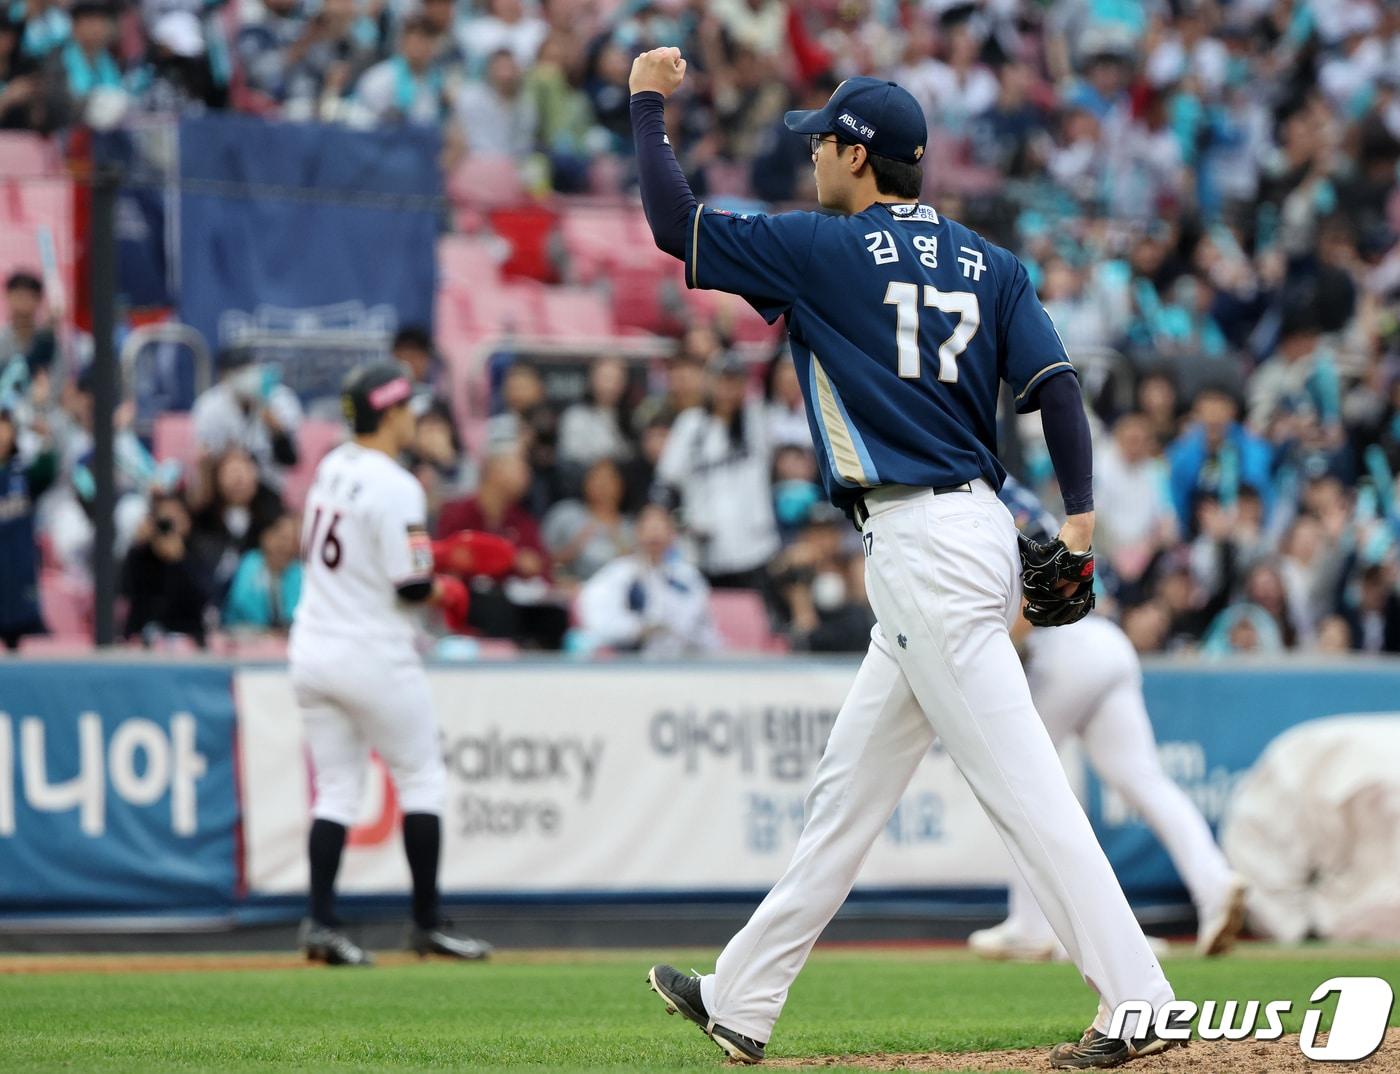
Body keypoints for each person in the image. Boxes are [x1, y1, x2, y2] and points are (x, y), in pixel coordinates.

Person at [630, 54, 1176, 1068]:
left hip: (922, 545)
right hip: (973, 536)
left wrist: (645, 103)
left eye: (821, 142)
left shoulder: (822, 249)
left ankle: (1140, 999)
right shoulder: (989, 261)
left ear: (856, 155)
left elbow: (675, 224)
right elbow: (1057, 387)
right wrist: (1080, 528)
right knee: (846, 794)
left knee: (1023, 790)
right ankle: (741, 999)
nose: (812, 156)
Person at [970, 478, 1247, 963]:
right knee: (1144, 781)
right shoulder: (1008, 493)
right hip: (1104, 642)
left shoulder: (982, 501)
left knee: (1021, 780)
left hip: (1061, 653)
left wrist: (994, 649)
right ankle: (1214, 882)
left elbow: (1044, 589)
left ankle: (1033, 925)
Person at [288, 362, 488, 966]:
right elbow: (411, 586)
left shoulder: (331, 465)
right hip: (371, 649)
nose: (413, 419)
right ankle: (426, 923)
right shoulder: (397, 483)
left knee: (336, 791)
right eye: (407, 410)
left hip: (312, 646)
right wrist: (449, 587)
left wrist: (434, 556)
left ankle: (320, 923)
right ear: (390, 412)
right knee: (422, 779)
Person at [653, 351, 779, 589]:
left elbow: (775, 380)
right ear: (709, 383)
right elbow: (666, 484)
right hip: (703, 550)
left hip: (755, 547)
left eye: (735, 382)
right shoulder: (691, 424)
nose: (727, 389)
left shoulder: (757, 421)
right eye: (722, 381)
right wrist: (682, 523)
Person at [576, 503, 718, 657]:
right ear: (637, 533)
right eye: (649, 528)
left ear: (672, 534)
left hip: (682, 658)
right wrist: (640, 629)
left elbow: (703, 627)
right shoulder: (618, 574)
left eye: (661, 527)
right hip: (632, 660)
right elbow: (599, 622)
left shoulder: (687, 576)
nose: (655, 534)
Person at [192, 348, 303, 490]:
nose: (245, 376)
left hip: (270, 485)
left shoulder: (280, 398)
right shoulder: (209, 406)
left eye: (247, 369)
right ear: (223, 376)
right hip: (224, 489)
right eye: (238, 372)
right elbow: (206, 459)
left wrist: (274, 425)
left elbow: (290, 460)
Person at [223, 513, 303, 631]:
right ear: (266, 537)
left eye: (292, 540)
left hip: (284, 635)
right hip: (242, 631)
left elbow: (296, 612)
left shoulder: (298, 572)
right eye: (282, 538)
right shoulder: (251, 562)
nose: (285, 545)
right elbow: (240, 602)